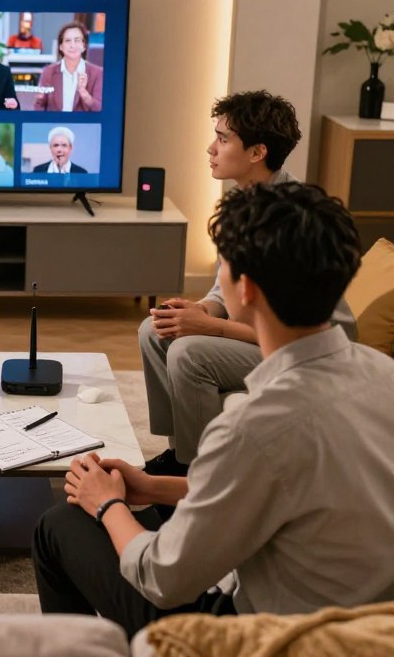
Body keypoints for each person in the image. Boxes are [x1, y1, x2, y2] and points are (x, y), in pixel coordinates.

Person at [33, 181, 394, 639]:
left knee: (59, 525)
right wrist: (153, 487)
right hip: (366, 625)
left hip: (269, 634)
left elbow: (162, 578)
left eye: (222, 265)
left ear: (244, 289)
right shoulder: (383, 375)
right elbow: (288, 488)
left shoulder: (254, 427)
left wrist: (106, 504)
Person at [139, 91, 355, 476]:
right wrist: (201, 309)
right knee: (155, 328)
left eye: (223, 139)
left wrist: (212, 326)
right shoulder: (248, 203)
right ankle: (180, 452)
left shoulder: (287, 219)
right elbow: (226, 290)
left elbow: (297, 328)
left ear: (257, 152)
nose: (211, 148)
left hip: (302, 350)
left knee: (188, 353)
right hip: (267, 334)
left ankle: (202, 470)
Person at [33, 21, 102, 112]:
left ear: (84, 46)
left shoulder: (97, 73)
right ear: (61, 46)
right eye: (68, 41)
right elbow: (38, 106)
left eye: (77, 40)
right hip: (54, 125)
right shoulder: (48, 72)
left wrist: (84, 93)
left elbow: (100, 110)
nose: (72, 45)